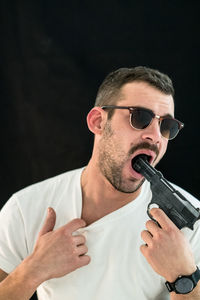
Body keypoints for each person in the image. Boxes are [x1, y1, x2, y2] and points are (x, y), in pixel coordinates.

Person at [0, 66, 200, 300]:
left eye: (166, 126)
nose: (155, 136)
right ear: (98, 122)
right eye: (141, 118)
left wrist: (183, 277)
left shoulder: (190, 226)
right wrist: (32, 271)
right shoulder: (25, 208)